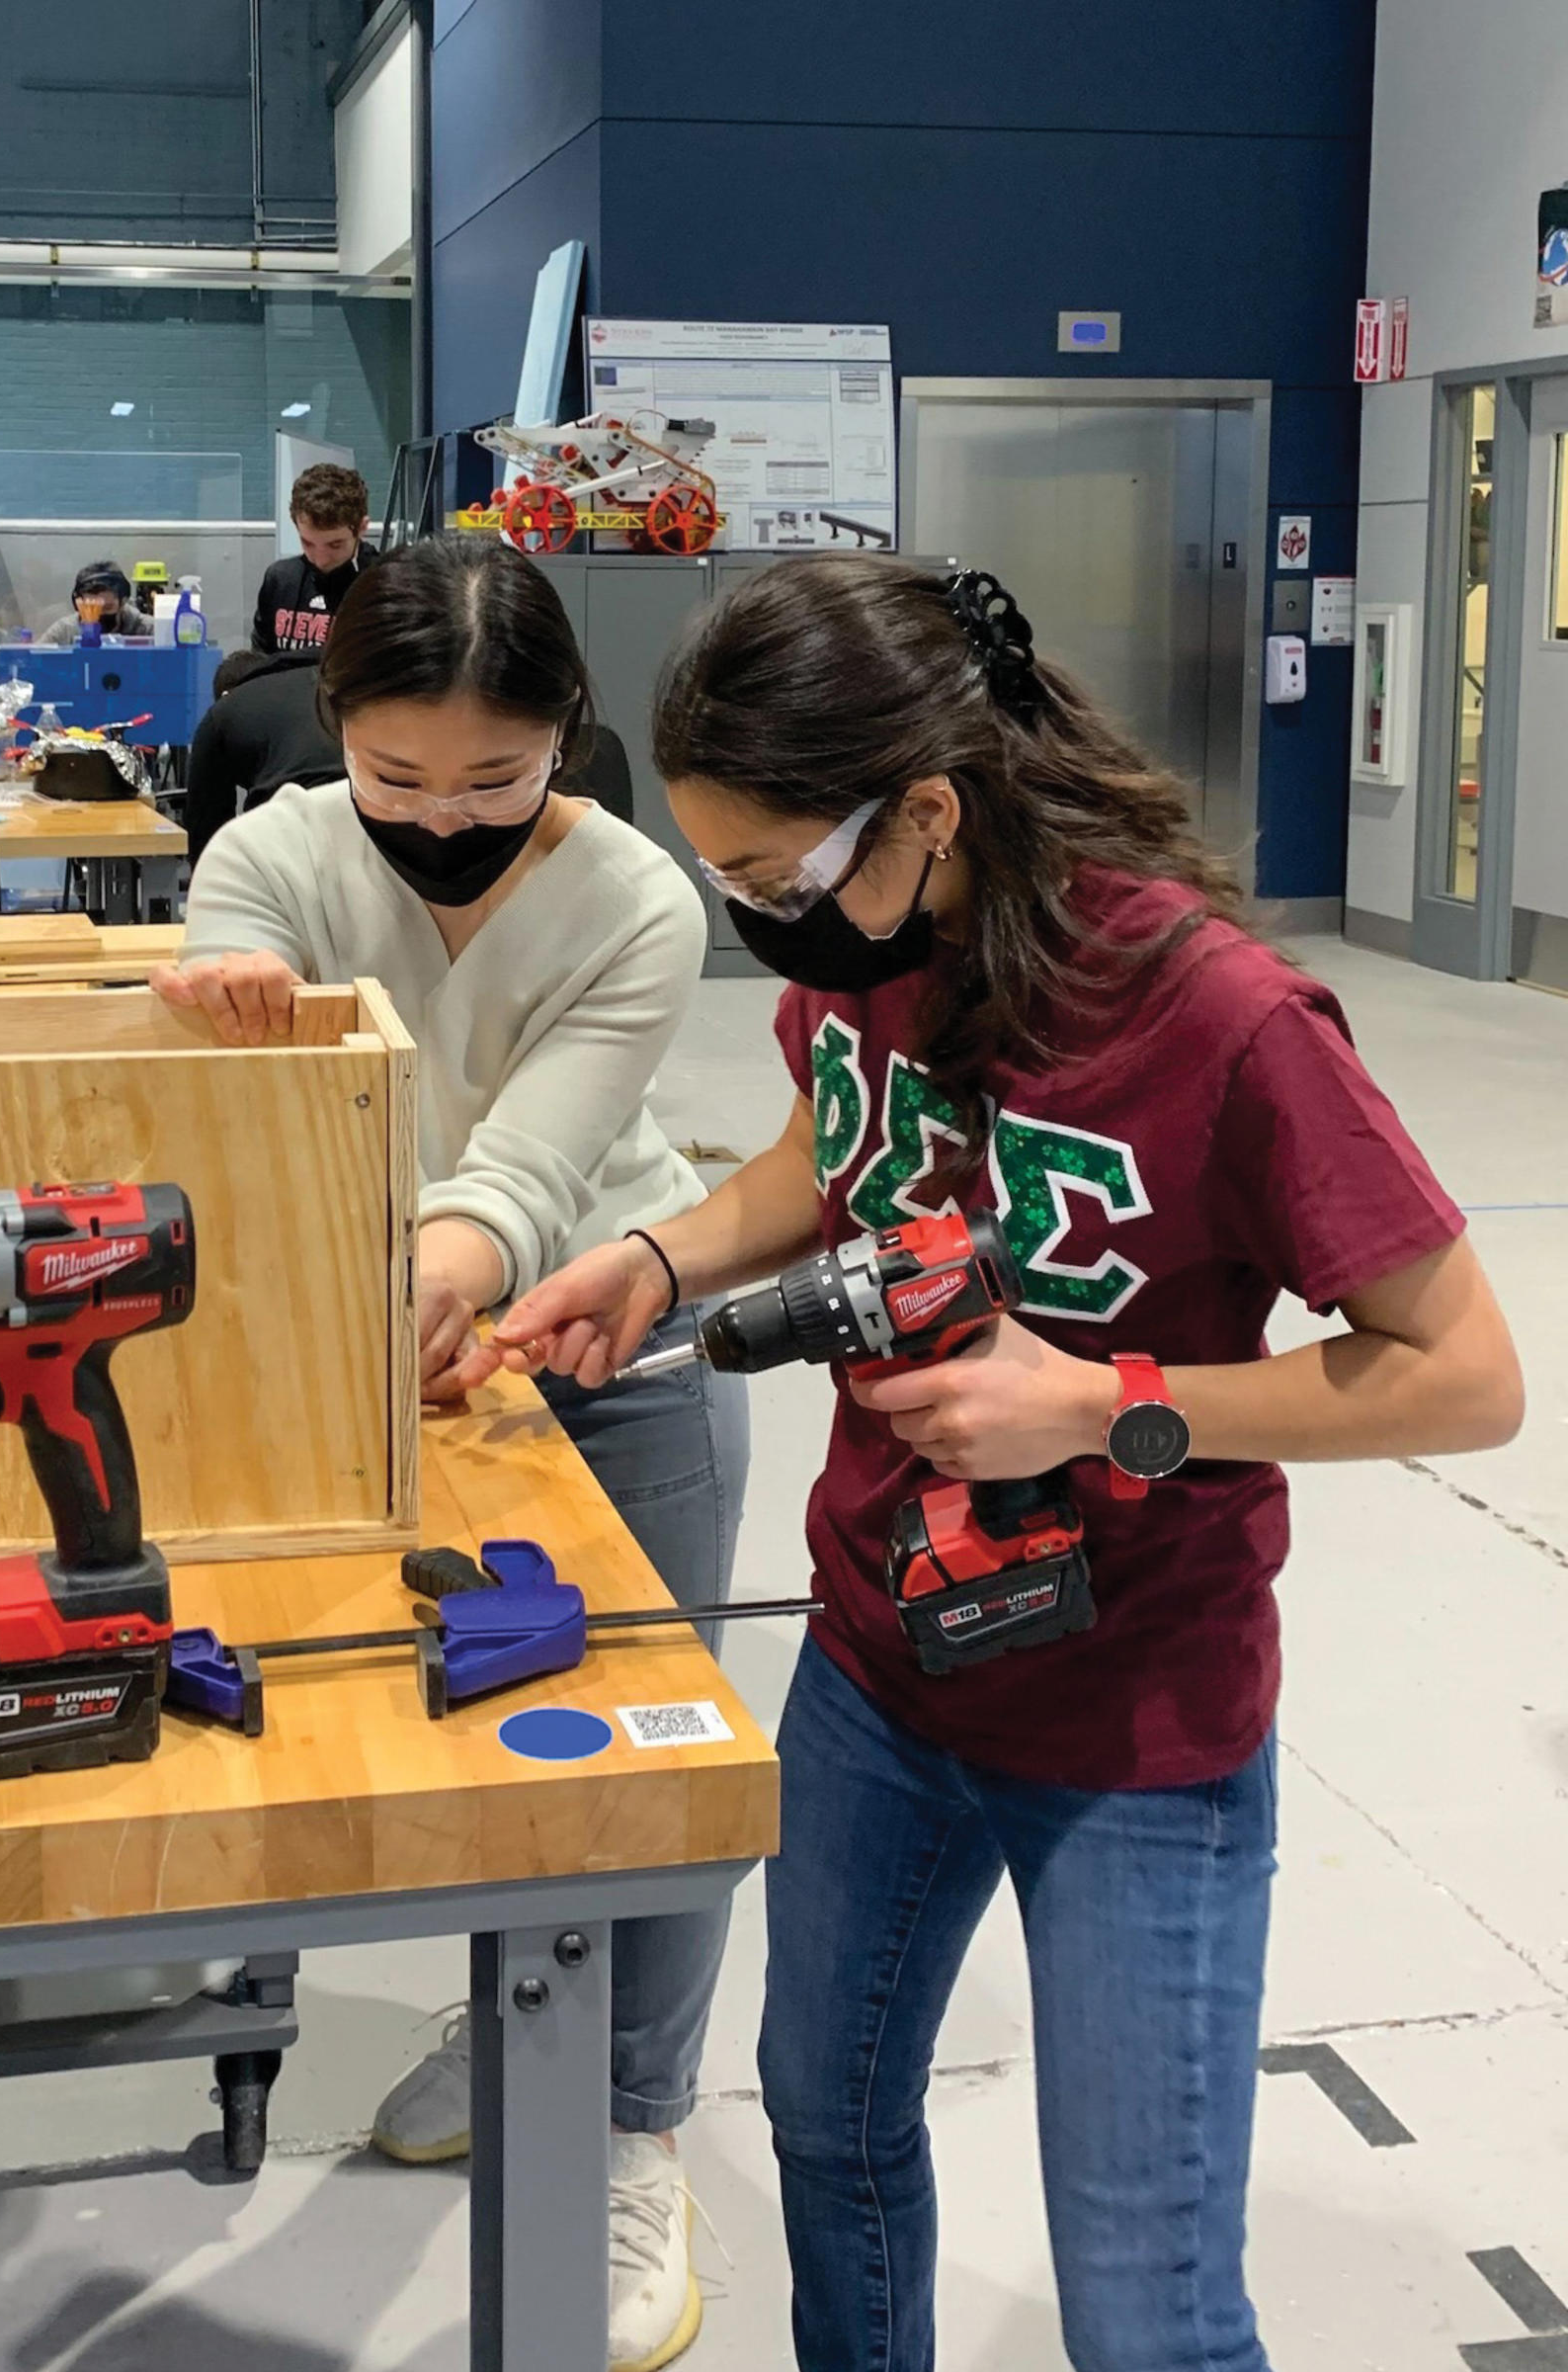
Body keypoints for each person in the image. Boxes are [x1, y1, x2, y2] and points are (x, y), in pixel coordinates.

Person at [491, 555, 1524, 2372]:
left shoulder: (1221, 1022)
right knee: (829, 2134)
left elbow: (1466, 1378)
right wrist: (654, 1259)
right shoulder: (880, 948)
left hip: (1137, 1723)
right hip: (880, 1668)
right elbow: (840, 1149)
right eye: (725, 877)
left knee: (1148, 2309)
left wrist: (1114, 1402)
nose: (759, 921)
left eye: (775, 876)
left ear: (935, 807)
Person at [156, 535, 749, 2372]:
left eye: (495, 781)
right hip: (347, 1355)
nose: (441, 821)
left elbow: (534, 1162)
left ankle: (634, 2125)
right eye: (396, 779)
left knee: (653, 1749)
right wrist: (221, 1006)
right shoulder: (275, 852)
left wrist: (453, 1269)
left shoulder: (639, 898)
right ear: (334, 729)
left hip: (604, 1335)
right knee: (373, 1711)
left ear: (565, 734)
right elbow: (224, 988)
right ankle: (506, 2034)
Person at [182, 647, 340, 863]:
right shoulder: (339, 680)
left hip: (284, 834)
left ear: (226, 695)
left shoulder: (225, 711)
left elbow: (206, 832)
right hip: (370, 815)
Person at [252, 463, 376, 657]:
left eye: (335, 545)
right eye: (307, 543)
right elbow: (259, 662)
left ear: (362, 527)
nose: (320, 560)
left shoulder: (384, 584)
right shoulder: (280, 580)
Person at [38, 558, 151, 646]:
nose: (99, 615)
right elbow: (32, 661)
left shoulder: (147, 629)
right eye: (91, 608)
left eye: (107, 608)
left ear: (123, 602)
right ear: (78, 604)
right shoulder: (65, 631)